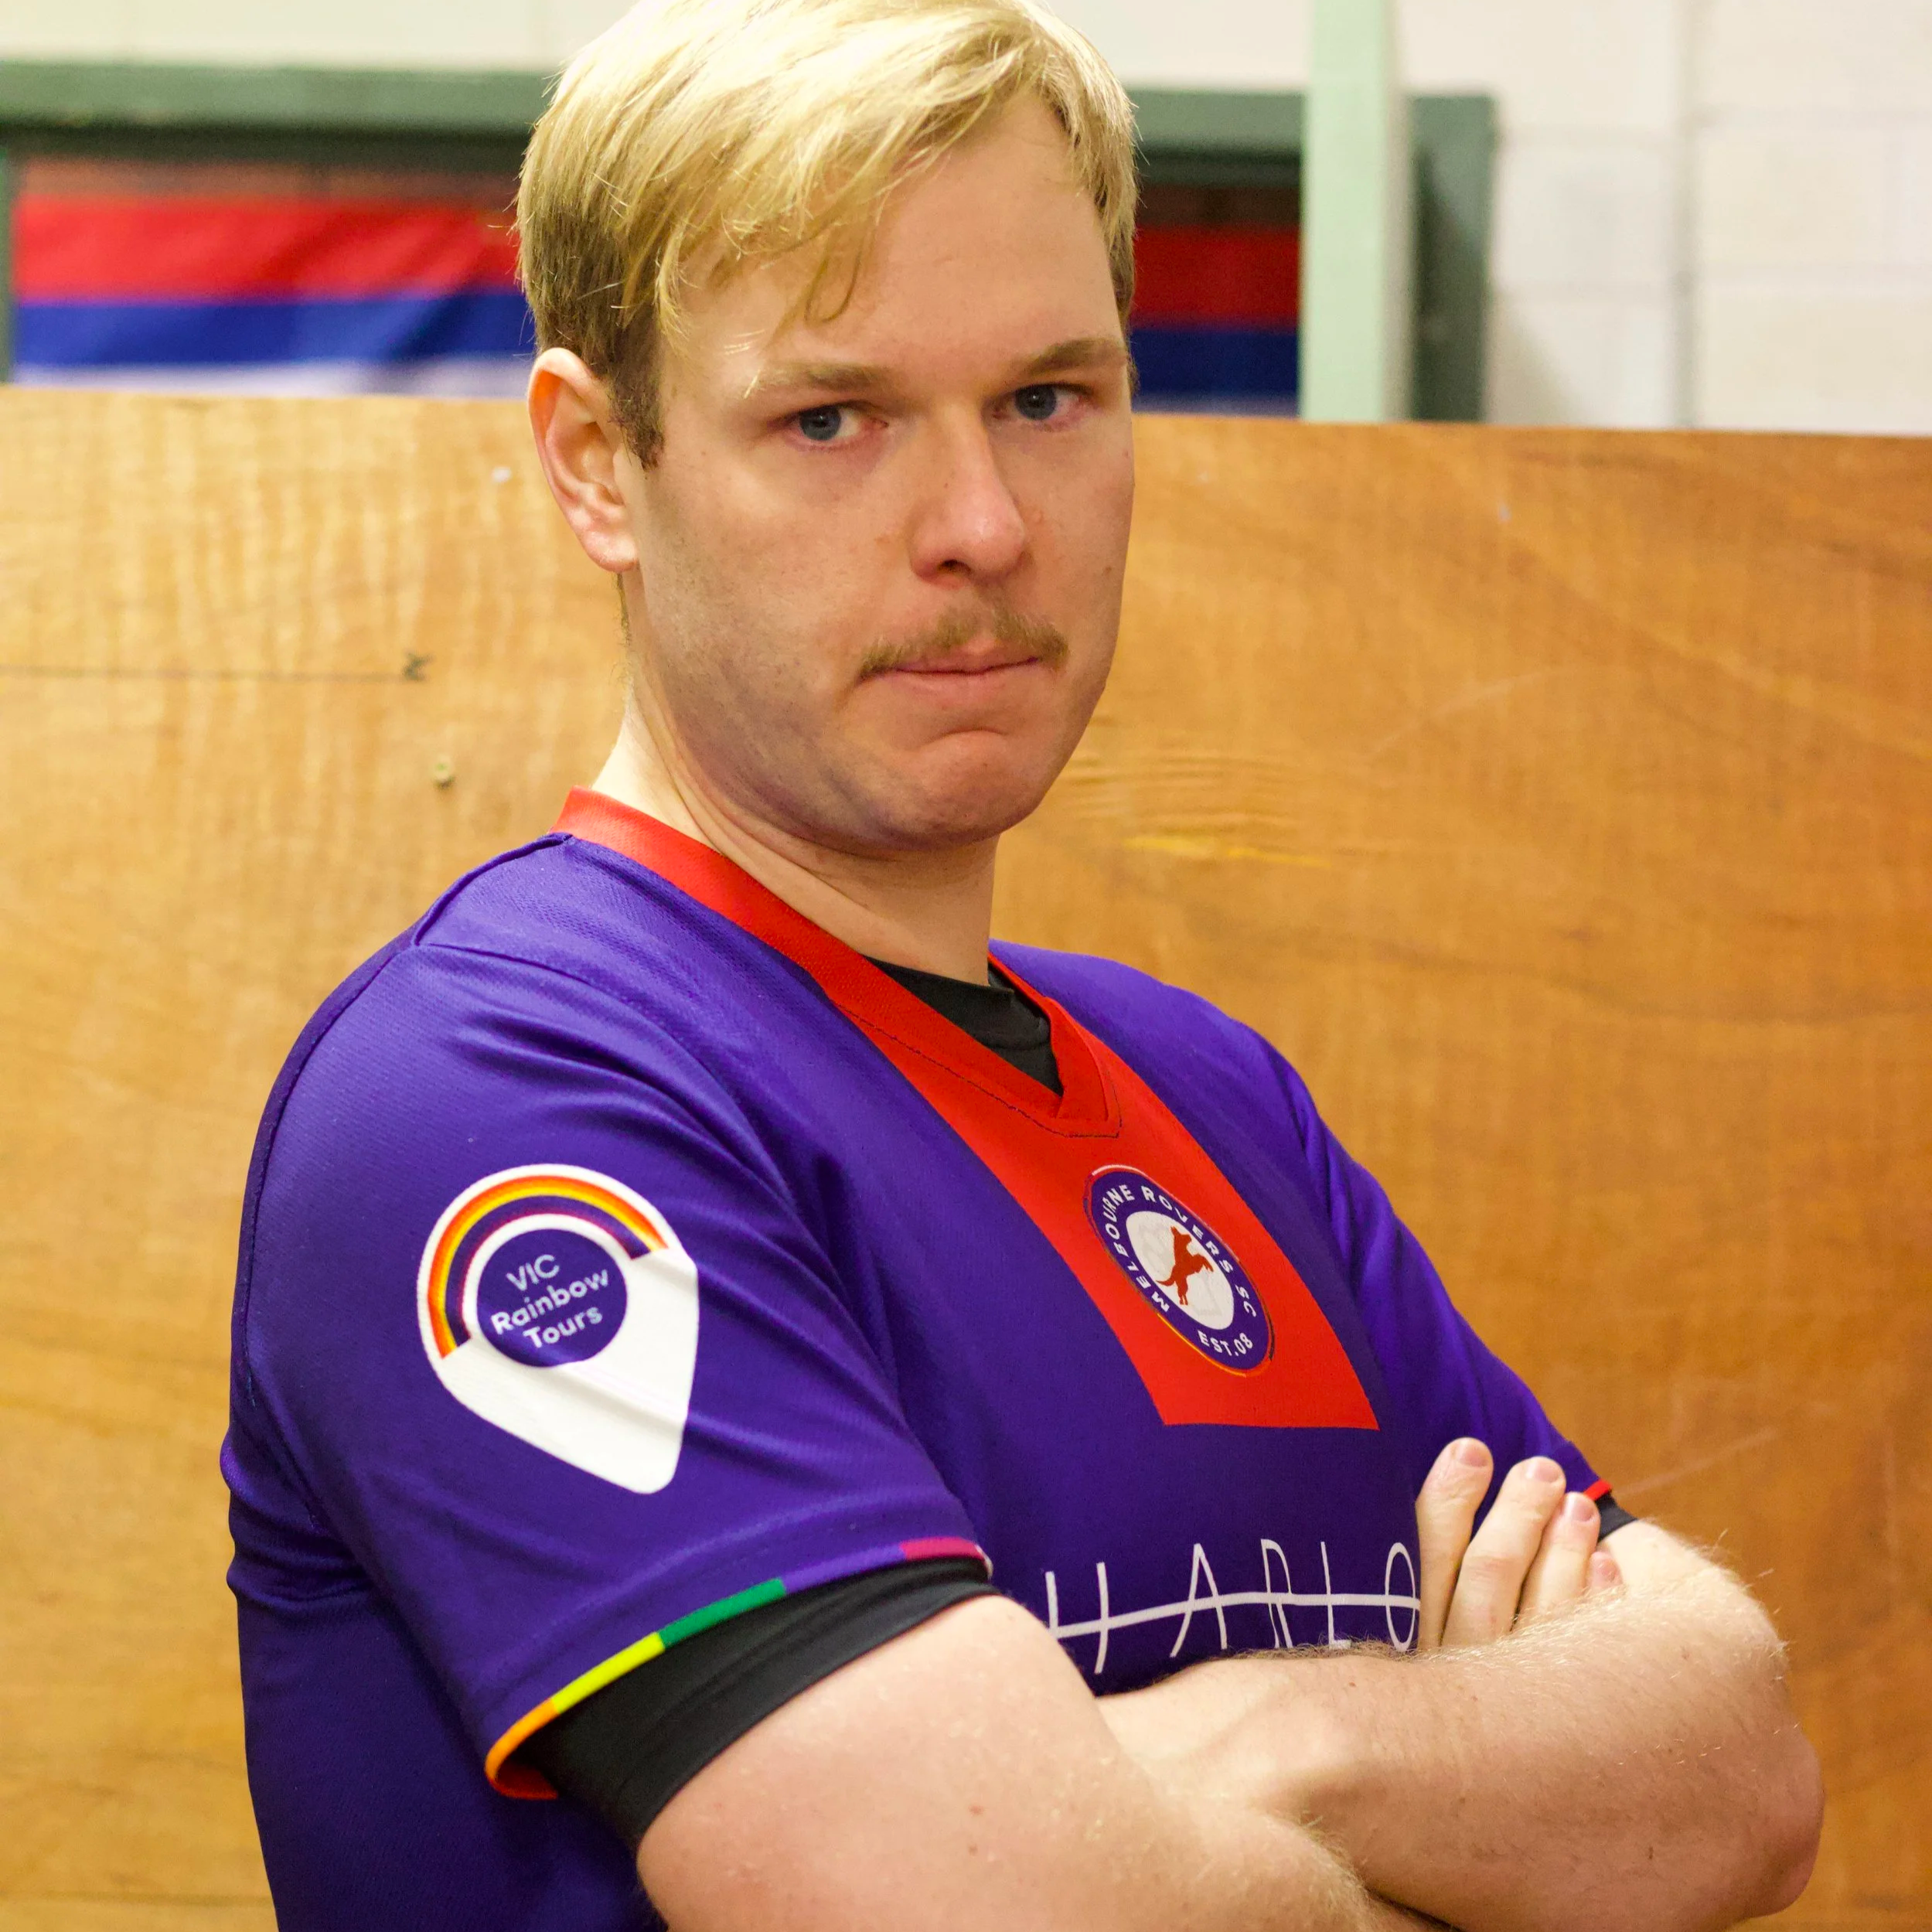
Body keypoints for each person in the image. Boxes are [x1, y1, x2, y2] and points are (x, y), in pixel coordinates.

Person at [222, 1, 1823, 1927]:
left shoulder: (1207, 1095)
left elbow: (1734, 1769)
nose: (981, 527)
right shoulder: (500, 1094)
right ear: (593, 463)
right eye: (834, 419)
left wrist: (1261, 1742)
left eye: (1050, 399)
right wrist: (1471, 1803)